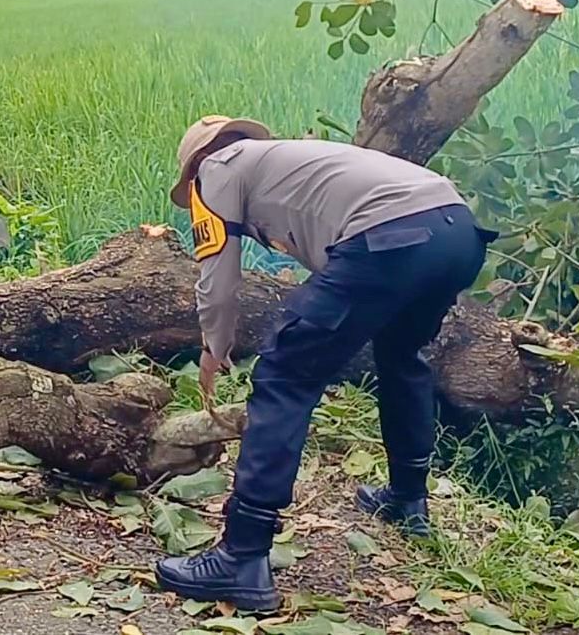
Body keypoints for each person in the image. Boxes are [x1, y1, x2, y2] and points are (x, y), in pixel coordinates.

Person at [155, 116, 497, 611]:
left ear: (195, 168)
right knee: (402, 355)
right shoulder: (290, 162)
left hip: (391, 238)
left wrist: (214, 346)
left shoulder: (217, 170)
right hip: (457, 233)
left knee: (283, 375)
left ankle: (242, 556)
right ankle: (408, 500)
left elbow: (218, 275)